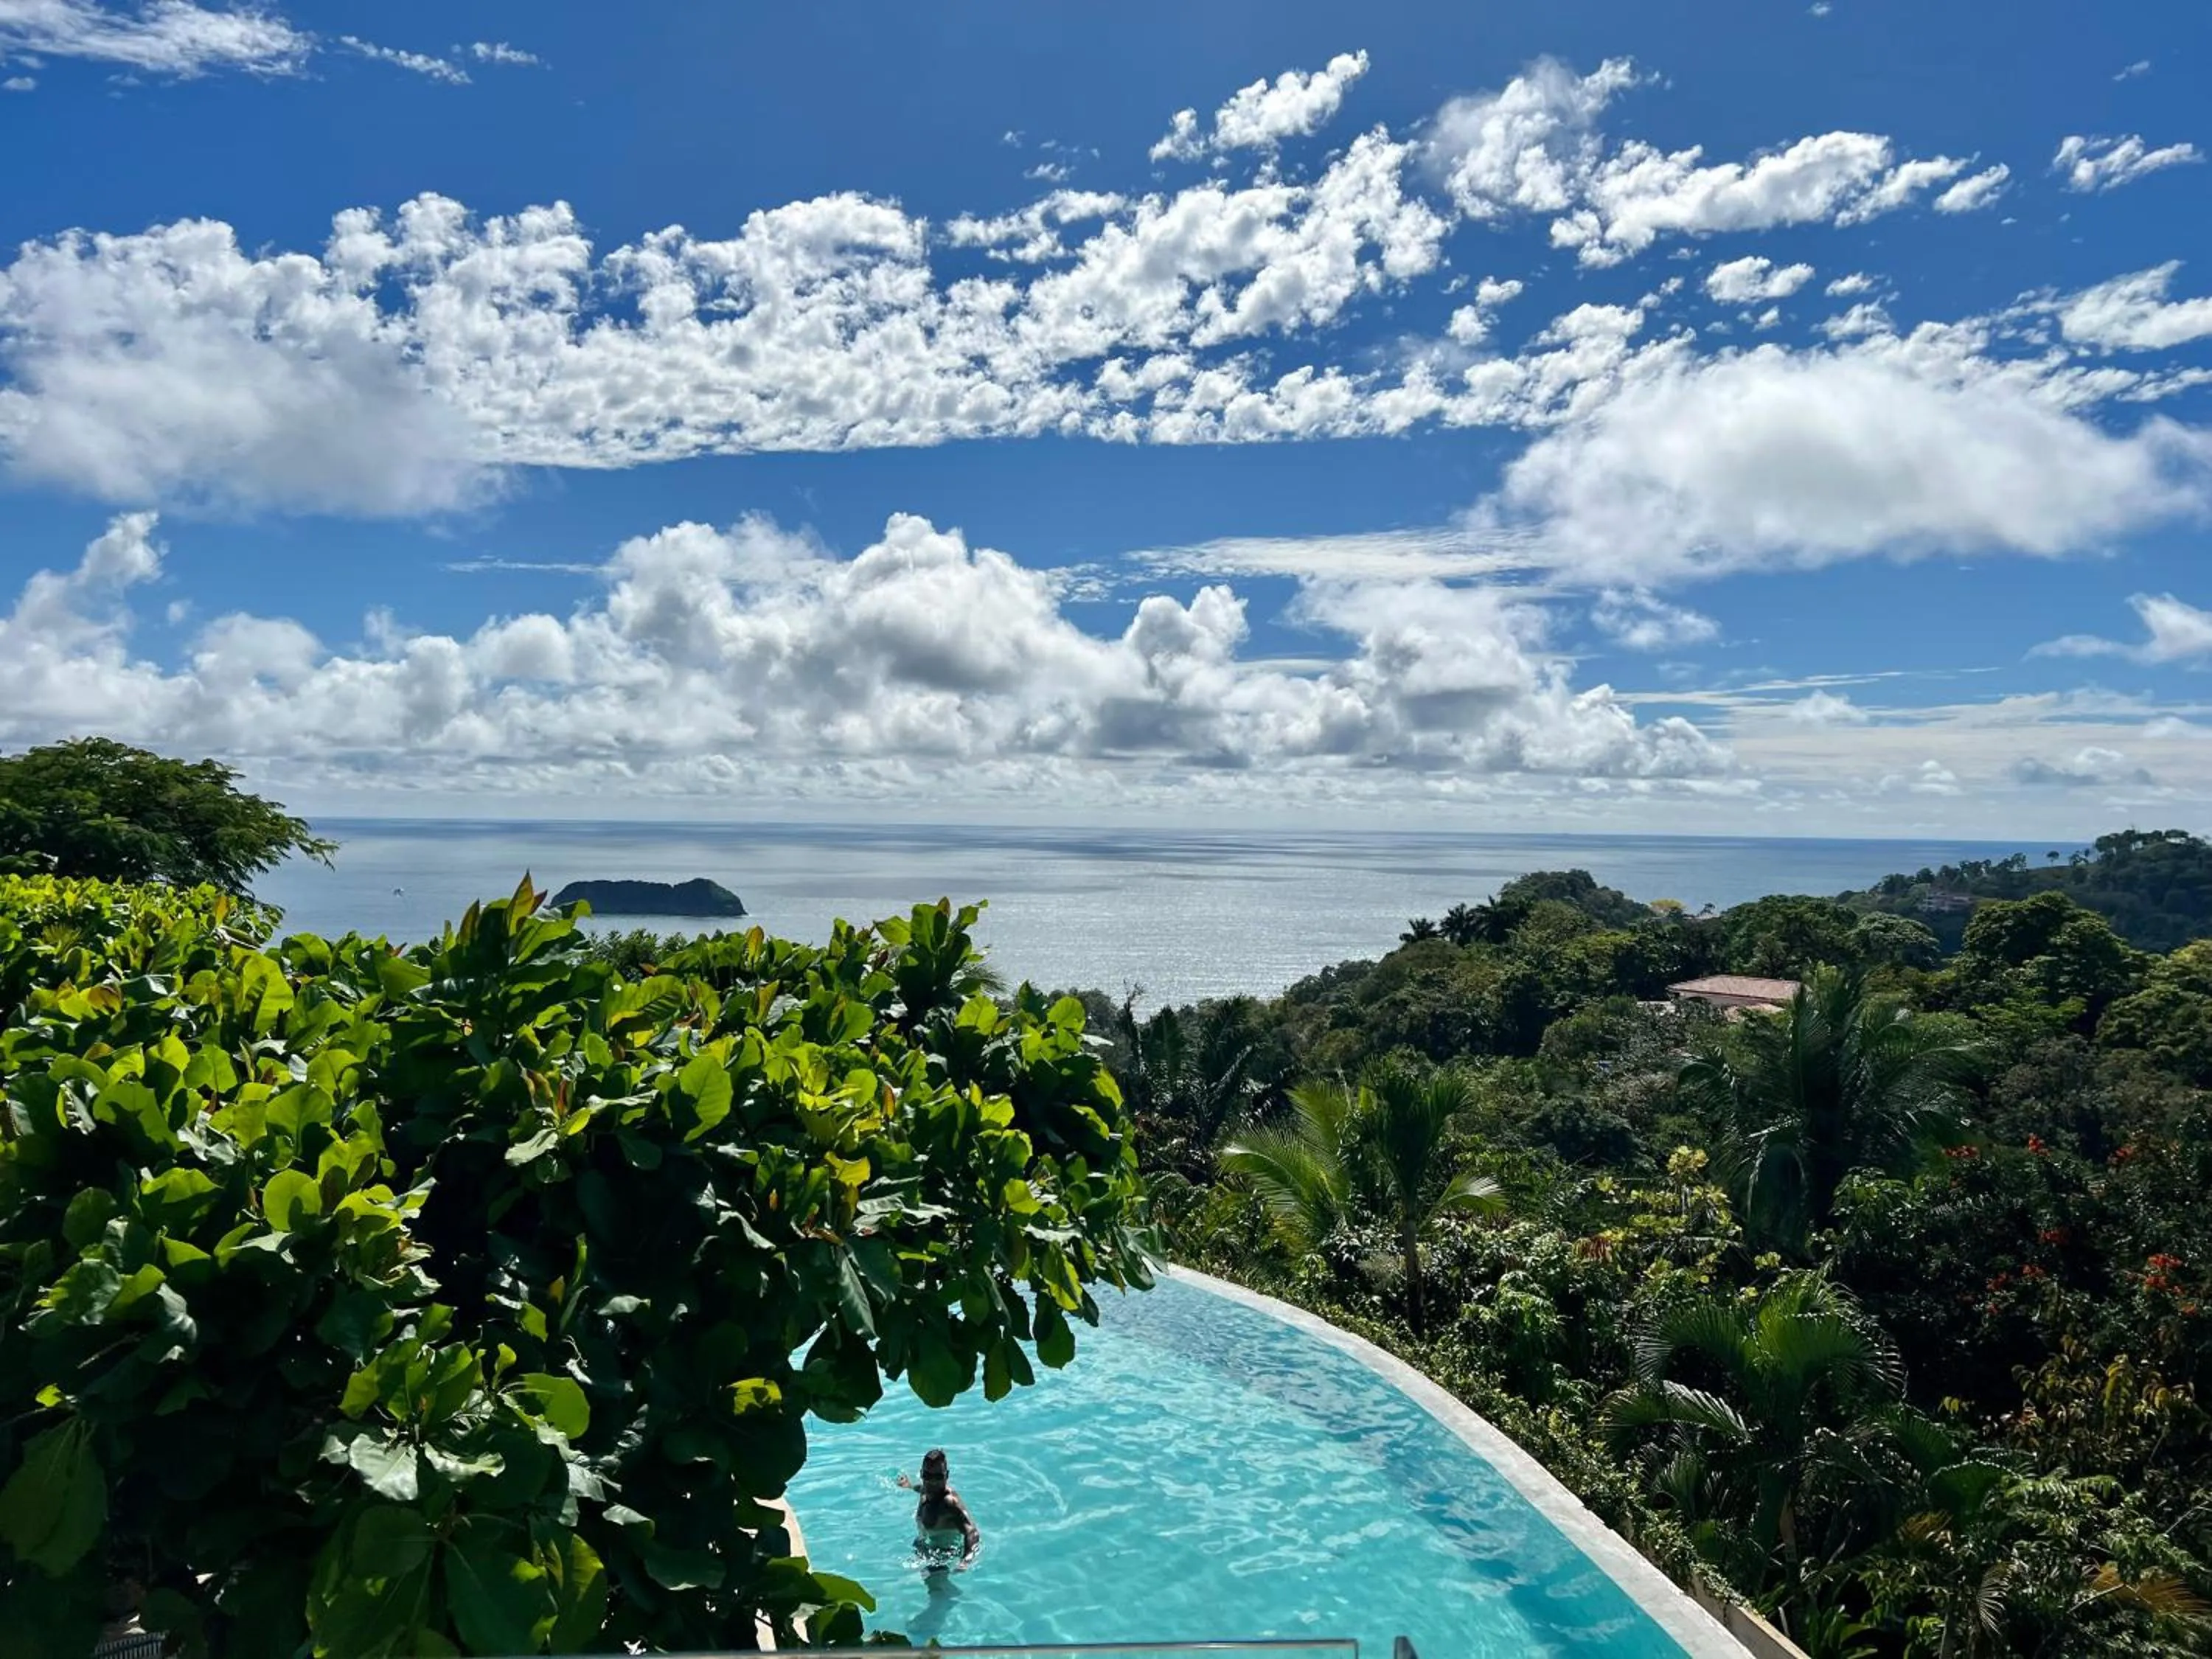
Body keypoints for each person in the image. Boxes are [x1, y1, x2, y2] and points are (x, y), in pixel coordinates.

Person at [896, 1447, 980, 1571]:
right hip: (923, 1550)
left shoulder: (950, 1503)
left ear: (947, 1476)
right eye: (928, 1476)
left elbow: (972, 1532)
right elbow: (922, 1488)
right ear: (922, 1475)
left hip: (942, 1559)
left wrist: (965, 1561)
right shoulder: (926, 1489)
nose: (933, 1482)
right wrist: (909, 1486)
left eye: (938, 1477)